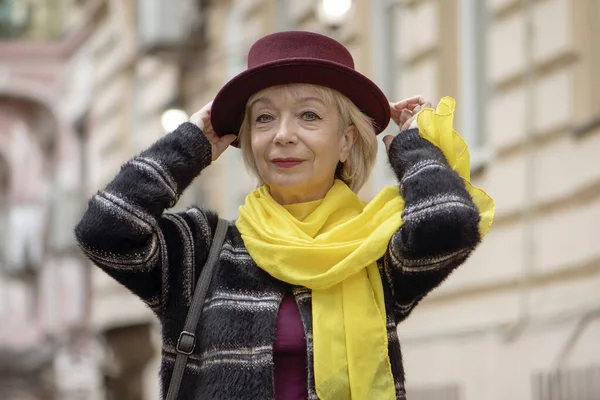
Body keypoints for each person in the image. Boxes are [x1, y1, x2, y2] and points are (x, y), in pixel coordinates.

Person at [75, 31, 494, 400]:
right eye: (264, 118)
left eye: (309, 115)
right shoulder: (203, 250)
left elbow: (450, 223)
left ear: (346, 141)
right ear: (248, 139)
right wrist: (193, 140)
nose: (282, 134)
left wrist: (412, 144)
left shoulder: (374, 250)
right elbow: (105, 229)